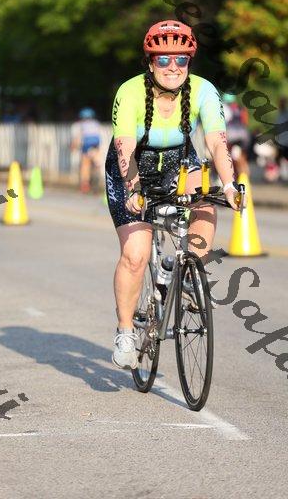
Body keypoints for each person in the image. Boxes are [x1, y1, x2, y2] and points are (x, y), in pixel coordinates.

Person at [105, 20, 243, 369]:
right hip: (131, 167)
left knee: (207, 200)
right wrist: (135, 188)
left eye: (181, 59)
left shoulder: (203, 90)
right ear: (150, 62)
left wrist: (230, 184)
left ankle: (189, 270)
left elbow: (217, 142)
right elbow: (125, 148)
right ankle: (125, 331)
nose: (172, 67)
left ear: (189, 62)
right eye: (163, 59)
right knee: (135, 255)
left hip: (178, 163)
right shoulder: (130, 92)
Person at [71, 107, 101, 193]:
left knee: (85, 166)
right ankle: (96, 184)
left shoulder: (81, 125)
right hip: (95, 147)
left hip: (86, 147)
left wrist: (74, 146)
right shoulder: (96, 123)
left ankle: (85, 185)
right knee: (96, 165)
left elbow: (78, 137)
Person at [222, 92, 251, 176]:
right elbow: (245, 122)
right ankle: (244, 175)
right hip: (244, 136)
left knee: (232, 156)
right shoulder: (241, 109)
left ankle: (240, 175)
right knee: (241, 156)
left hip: (232, 136)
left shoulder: (226, 108)